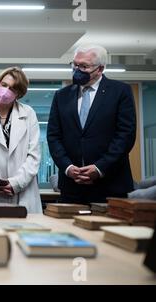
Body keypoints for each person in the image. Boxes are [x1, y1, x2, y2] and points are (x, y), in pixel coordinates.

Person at [47, 45, 136, 203]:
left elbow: (125, 136)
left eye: (84, 66)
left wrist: (99, 168)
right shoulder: (62, 96)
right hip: (71, 187)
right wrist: (67, 167)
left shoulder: (120, 92)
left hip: (110, 185)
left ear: (100, 69)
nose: (77, 69)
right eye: (74, 64)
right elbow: (54, 136)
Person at [0, 67, 42, 214]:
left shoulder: (28, 114)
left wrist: (15, 183)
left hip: (23, 192)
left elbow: (34, 155)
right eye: (4, 85)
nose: (6, 90)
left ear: (19, 93)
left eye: (12, 88)